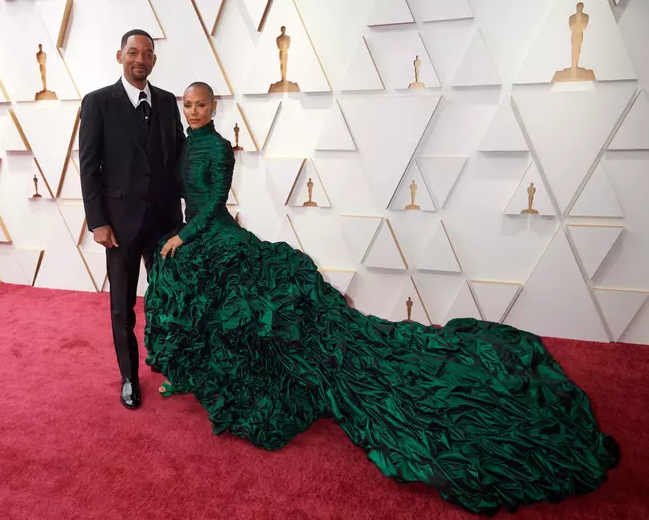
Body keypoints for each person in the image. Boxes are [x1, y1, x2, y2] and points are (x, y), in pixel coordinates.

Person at [143, 81, 620, 515]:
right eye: (188, 105)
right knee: (200, 302)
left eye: (201, 105)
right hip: (197, 236)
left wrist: (184, 236)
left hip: (211, 234)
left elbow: (214, 202)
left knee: (235, 305)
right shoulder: (186, 144)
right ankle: (195, 376)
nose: (193, 111)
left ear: (215, 107)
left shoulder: (219, 147)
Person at [78, 29, 185, 410]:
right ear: (120, 56)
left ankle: (166, 360)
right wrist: (98, 222)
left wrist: (189, 216)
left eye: (147, 53)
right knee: (122, 306)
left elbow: (179, 159)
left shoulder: (168, 102)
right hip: (119, 226)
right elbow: (89, 167)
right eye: (133, 52)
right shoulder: (97, 103)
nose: (140, 59)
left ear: (154, 60)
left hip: (164, 224)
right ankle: (129, 376)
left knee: (166, 298)